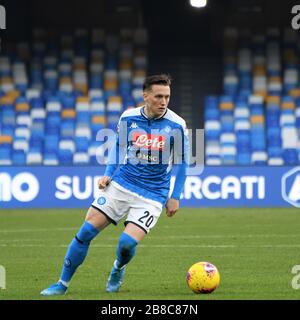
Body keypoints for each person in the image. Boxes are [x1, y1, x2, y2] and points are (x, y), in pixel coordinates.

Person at [41, 74, 189, 296]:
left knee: (126, 244)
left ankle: (118, 268)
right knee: (86, 232)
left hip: (152, 194)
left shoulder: (177, 125)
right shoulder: (128, 118)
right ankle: (62, 284)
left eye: (167, 97)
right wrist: (108, 174)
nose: (163, 102)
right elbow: (119, 147)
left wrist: (175, 196)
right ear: (145, 95)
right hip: (122, 185)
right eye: (158, 96)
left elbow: (184, 163)